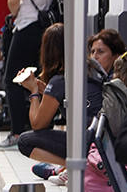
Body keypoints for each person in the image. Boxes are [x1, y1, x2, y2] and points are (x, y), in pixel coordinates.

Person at [0, 0, 62, 149]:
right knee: (44, 77)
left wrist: (14, 14)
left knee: (13, 78)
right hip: (51, 30)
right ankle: (44, 130)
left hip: (27, 27)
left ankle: (17, 133)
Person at [17, 23, 103, 182]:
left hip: (87, 143)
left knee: (25, 141)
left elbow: (38, 124)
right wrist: (45, 90)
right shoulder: (92, 66)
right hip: (105, 139)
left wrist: (34, 92)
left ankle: (80, 167)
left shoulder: (59, 80)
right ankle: (70, 167)